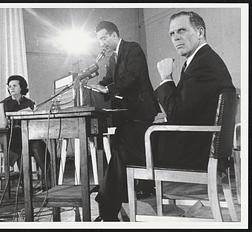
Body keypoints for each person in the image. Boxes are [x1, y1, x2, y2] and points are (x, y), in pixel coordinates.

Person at [88, 21, 161, 221]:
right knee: (118, 150)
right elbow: (108, 79)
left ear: (114, 35)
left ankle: (108, 204)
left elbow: (131, 77)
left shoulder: (132, 49)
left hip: (142, 113)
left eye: (103, 38)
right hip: (127, 114)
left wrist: (108, 89)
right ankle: (115, 201)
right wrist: (95, 86)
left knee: (120, 153)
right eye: (99, 40)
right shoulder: (112, 59)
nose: (102, 43)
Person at [154, 11, 235, 170]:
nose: (175, 37)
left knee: (124, 140)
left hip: (194, 152)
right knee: (127, 140)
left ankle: (130, 192)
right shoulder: (201, 60)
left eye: (181, 30)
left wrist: (166, 78)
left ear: (200, 32)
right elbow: (189, 110)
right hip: (195, 145)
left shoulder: (203, 64)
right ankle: (138, 190)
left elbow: (177, 114)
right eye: (172, 34)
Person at [1, 75, 51, 190]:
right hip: (13, 139)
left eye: (14, 85)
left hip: (30, 136)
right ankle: (26, 186)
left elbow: (37, 121)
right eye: (9, 86)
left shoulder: (29, 102)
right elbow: (1, 124)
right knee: (23, 150)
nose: (11, 88)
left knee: (39, 146)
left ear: (21, 87)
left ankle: (48, 182)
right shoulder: (4, 104)